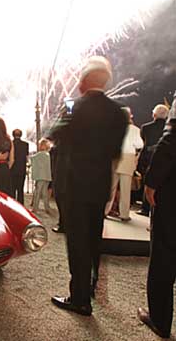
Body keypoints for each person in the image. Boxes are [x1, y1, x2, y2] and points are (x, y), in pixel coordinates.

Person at [50, 56, 127, 316]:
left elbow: (55, 134)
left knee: (78, 242)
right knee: (94, 239)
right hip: (99, 184)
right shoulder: (118, 112)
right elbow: (115, 151)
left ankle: (80, 297)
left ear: (83, 81)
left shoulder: (73, 106)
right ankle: (92, 284)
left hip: (74, 184)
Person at [137, 100, 176, 339]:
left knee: (164, 254)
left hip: (172, 198)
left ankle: (160, 319)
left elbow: (170, 143)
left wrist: (151, 184)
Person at [105, 107, 143, 221]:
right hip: (128, 158)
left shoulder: (112, 127)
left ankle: (105, 210)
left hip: (114, 157)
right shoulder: (135, 129)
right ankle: (124, 214)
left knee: (110, 187)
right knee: (125, 189)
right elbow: (139, 145)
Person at [137, 104, 170, 216]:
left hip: (147, 158)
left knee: (148, 182)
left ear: (154, 114)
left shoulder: (145, 128)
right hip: (164, 159)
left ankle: (145, 208)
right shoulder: (168, 129)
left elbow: (143, 144)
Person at [30, 138, 54, 214]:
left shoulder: (39, 155)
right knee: (44, 193)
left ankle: (35, 208)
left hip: (40, 176)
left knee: (38, 192)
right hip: (47, 176)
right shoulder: (48, 155)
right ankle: (47, 208)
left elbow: (32, 159)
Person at [10, 129, 29, 204]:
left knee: (12, 189)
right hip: (21, 169)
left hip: (12, 169)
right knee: (20, 189)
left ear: (13, 135)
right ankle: (21, 204)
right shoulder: (25, 144)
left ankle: (12, 204)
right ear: (21, 135)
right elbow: (26, 157)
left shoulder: (10, 143)